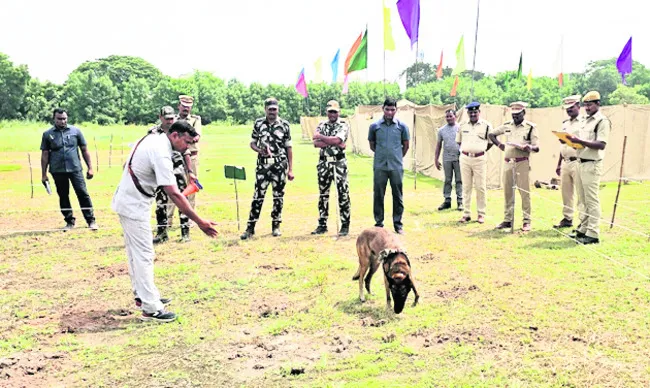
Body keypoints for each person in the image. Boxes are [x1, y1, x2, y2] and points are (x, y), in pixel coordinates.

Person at [112, 120, 218, 323]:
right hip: (134, 205)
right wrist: (199, 222)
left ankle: (143, 295)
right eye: (186, 142)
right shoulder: (161, 152)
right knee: (144, 254)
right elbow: (175, 195)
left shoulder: (154, 139)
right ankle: (151, 308)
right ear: (175, 135)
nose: (187, 147)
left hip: (129, 200)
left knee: (136, 253)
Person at [240, 97, 294, 240]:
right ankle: (250, 228)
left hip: (279, 165)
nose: (272, 112)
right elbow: (252, 143)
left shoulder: (284, 125)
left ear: (278, 110)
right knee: (258, 196)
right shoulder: (259, 123)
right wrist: (259, 150)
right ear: (265, 109)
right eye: (270, 109)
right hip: (263, 166)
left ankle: (276, 226)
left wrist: (290, 169)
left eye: (274, 109)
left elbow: (289, 147)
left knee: (278, 197)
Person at [40, 108, 98, 231]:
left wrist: (90, 168)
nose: (62, 121)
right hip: (57, 170)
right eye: (59, 119)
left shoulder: (76, 131)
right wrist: (44, 174)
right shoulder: (47, 134)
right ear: (54, 119)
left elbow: (84, 150)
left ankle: (91, 221)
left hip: (75, 169)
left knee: (82, 193)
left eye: (64, 118)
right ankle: (69, 221)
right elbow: (45, 154)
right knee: (63, 195)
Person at [566, 91, 611, 245]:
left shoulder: (602, 121)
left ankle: (593, 233)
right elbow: (583, 141)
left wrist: (581, 141)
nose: (587, 107)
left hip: (592, 164)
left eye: (590, 104)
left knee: (592, 200)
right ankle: (583, 228)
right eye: (585, 104)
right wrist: (572, 141)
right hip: (580, 161)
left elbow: (601, 144)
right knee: (582, 199)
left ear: (598, 104)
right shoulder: (585, 120)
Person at [489, 101, 539, 232]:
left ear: (523, 113)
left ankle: (526, 221)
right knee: (507, 192)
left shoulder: (531, 127)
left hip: (522, 162)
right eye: (513, 114)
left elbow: (537, 147)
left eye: (517, 114)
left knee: (524, 192)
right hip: (508, 162)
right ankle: (507, 219)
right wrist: (500, 146)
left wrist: (529, 147)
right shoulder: (507, 126)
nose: (515, 117)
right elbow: (491, 134)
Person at [149, 106, 191, 243]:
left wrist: (190, 171)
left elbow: (186, 151)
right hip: (160, 170)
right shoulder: (153, 132)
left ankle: (185, 233)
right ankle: (162, 233)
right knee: (161, 202)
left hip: (177, 168)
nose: (169, 121)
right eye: (166, 119)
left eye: (172, 118)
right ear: (160, 117)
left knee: (182, 198)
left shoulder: (179, 129)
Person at [368, 97, 410, 235]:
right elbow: (372, 145)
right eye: (387, 109)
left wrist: (396, 157)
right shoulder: (374, 127)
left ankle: (398, 224)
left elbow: (406, 146)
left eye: (392, 110)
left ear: (396, 110)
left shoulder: (402, 127)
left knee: (397, 195)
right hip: (380, 166)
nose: (390, 112)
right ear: (383, 109)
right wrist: (383, 155)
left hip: (396, 166)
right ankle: (379, 223)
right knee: (378, 195)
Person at [311, 100, 351, 236]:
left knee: (343, 194)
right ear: (327, 112)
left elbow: (337, 140)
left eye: (335, 111)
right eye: (330, 111)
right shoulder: (321, 124)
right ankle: (322, 225)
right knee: (323, 195)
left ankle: (345, 225)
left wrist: (323, 138)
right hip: (324, 164)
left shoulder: (343, 124)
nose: (332, 114)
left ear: (338, 112)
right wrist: (335, 141)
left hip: (339, 163)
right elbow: (316, 143)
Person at [456, 102, 493, 224]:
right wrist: (469, 151)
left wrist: (479, 151)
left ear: (479, 112)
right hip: (465, 158)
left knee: (480, 187)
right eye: (470, 112)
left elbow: (490, 142)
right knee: (466, 186)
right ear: (467, 113)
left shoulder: (486, 125)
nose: (473, 114)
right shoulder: (462, 125)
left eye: (475, 112)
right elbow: (459, 142)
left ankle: (481, 214)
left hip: (480, 159)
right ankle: (466, 213)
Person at [554, 95, 583, 229]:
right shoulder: (565, 123)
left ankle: (583, 220)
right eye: (567, 108)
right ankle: (567, 218)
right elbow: (563, 145)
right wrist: (559, 164)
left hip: (578, 160)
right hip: (565, 160)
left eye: (571, 107)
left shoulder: (584, 122)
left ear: (578, 106)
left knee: (581, 192)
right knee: (566, 192)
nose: (569, 110)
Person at [174, 95, 201, 211]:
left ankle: (190, 217)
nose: (186, 109)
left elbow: (196, 136)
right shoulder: (173, 119)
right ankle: (167, 219)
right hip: (175, 157)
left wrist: (181, 139)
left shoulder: (195, 120)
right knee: (172, 186)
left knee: (191, 186)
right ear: (178, 106)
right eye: (184, 106)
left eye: (188, 107)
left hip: (192, 156)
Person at [435, 109, 462, 211]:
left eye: (451, 116)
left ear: (455, 116)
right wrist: (436, 159)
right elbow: (438, 146)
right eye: (447, 116)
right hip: (447, 158)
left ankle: (460, 201)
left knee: (459, 180)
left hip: (459, 158)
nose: (449, 118)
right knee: (448, 180)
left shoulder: (460, 128)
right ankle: (447, 201)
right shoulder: (441, 130)